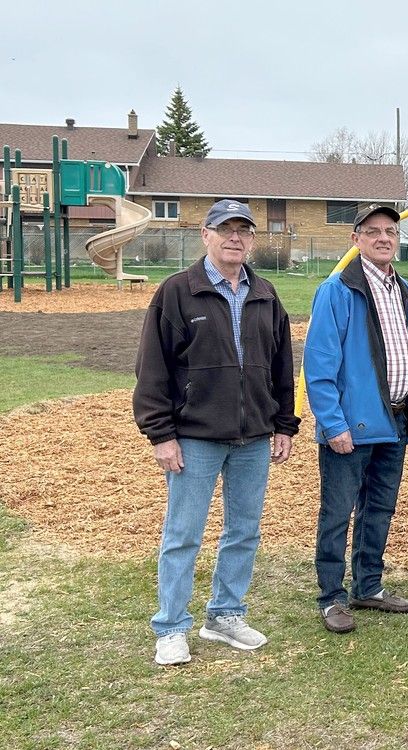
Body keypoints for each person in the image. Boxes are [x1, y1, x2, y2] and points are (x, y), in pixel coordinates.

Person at [134, 199, 299, 666]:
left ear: (251, 239)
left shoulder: (265, 293)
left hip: (254, 439)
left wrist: (283, 424)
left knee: (243, 531)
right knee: (183, 533)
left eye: (243, 230)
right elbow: (153, 370)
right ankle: (171, 626)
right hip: (194, 438)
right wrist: (161, 434)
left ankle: (225, 615)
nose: (235, 237)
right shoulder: (177, 292)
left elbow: (282, 368)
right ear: (205, 235)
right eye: (224, 228)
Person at [304, 203, 408, 635]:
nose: (383, 238)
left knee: (379, 509)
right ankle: (331, 597)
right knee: (337, 513)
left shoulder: (404, 291)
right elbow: (319, 365)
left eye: (390, 231)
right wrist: (333, 425)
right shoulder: (338, 290)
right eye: (372, 231)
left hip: (392, 421)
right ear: (355, 239)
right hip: (351, 428)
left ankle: (368, 585)